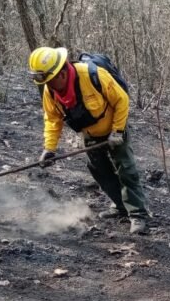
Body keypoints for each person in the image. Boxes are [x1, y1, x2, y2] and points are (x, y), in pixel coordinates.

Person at [27, 46, 149, 234]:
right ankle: (121, 207)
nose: (50, 86)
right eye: (46, 83)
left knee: (125, 168)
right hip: (90, 133)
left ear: (62, 72)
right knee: (98, 170)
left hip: (115, 126)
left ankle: (138, 214)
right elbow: (52, 119)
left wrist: (117, 131)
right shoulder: (50, 92)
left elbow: (121, 100)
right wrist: (49, 149)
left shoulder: (93, 76)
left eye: (51, 81)